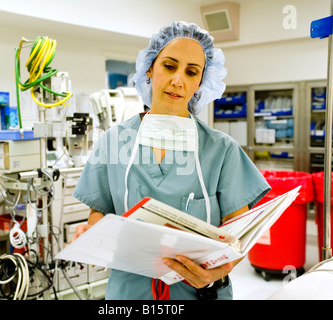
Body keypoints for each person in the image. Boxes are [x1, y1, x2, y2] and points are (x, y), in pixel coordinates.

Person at [71, 21, 270, 300]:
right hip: (129, 292)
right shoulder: (114, 142)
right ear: (150, 68)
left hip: (198, 293)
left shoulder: (221, 150)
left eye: (191, 72)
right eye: (169, 66)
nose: (178, 80)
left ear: (200, 82)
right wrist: (93, 235)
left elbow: (238, 235)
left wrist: (216, 273)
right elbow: (100, 212)